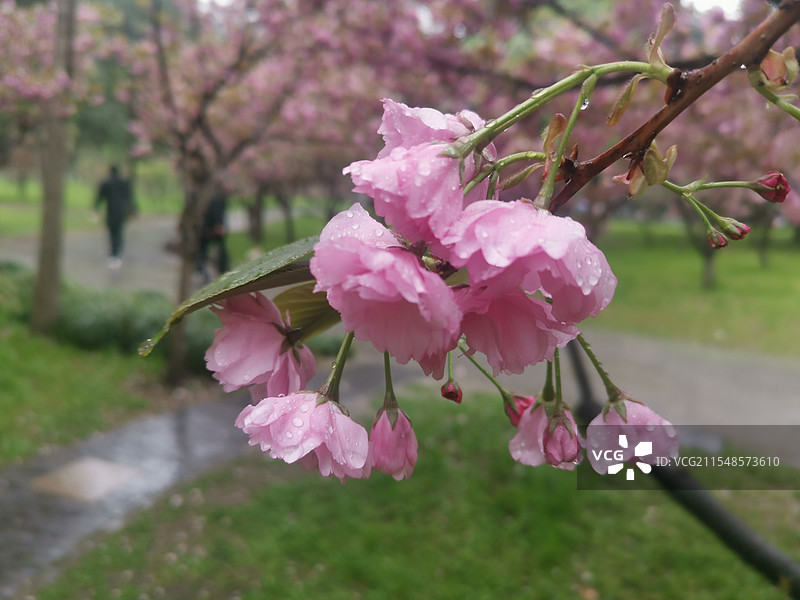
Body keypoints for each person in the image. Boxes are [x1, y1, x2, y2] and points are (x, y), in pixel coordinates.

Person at [95, 165, 134, 268]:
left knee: (112, 234)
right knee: (119, 234)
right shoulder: (124, 183)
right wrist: (133, 210)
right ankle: (118, 255)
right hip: (121, 213)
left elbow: (99, 197)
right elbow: (130, 197)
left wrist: (95, 208)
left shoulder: (107, 183)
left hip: (111, 212)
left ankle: (113, 255)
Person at [197, 192, 230, 283]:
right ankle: (207, 272)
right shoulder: (217, 196)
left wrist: (220, 225)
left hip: (209, 228)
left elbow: (221, 213)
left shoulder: (219, 198)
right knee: (204, 251)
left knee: (208, 251)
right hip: (208, 228)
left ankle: (222, 272)